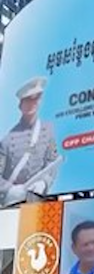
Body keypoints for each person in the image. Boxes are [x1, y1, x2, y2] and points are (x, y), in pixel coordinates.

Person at [0, 77, 62, 206]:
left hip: (37, 200)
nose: (32, 103)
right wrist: (9, 189)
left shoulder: (48, 130)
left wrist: (44, 182)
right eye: (28, 100)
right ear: (20, 105)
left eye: (36, 98)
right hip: (13, 202)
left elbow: (52, 163)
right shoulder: (7, 140)